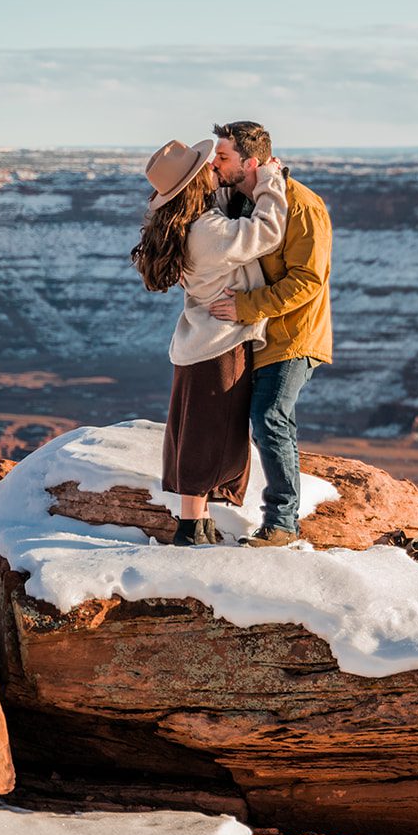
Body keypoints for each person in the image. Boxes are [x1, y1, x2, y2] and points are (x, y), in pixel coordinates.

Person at [130, 138, 287, 546]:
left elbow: (215, 202)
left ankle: (197, 523)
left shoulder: (188, 223)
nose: (216, 171)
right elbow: (267, 232)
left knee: (195, 430)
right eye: (209, 170)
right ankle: (188, 528)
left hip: (196, 343)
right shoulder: (209, 232)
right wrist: (270, 179)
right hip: (220, 345)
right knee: (208, 436)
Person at [206, 120, 333, 548]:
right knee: (249, 420)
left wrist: (245, 307)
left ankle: (282, 524)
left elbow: (307, 280)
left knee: (269, 418)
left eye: (222, 157)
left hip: (293, 335)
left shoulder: (301, 206)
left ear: (251, 162)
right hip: (257, 336)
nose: (215, 164)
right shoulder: (245, 202)